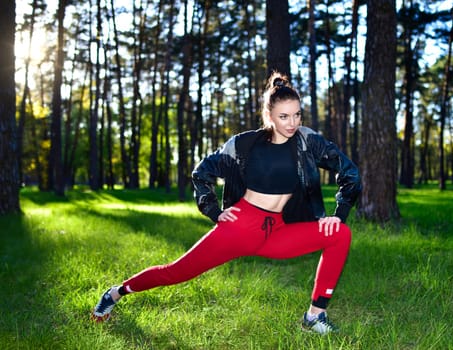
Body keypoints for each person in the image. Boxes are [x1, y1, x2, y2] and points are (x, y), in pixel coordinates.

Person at [92, 71, 361, 335]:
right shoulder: (245, 144)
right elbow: (202, 173)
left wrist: (338, 213)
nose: (292, 123)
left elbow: (348, 171)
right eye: (284, 116)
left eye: (297, 114)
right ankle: (116, 292)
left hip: (279, 228)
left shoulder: (306, 140)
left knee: (340, 234)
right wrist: (213, 210)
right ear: (269, 116)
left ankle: (315, 316)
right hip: (242, 226)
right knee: (177, 272)